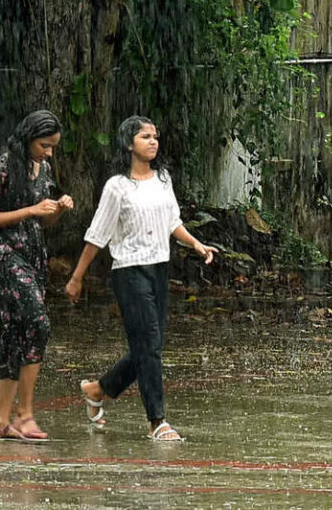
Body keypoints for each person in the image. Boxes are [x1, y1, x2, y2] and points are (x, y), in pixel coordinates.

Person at [64, 115, 217, 441]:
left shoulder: (163, 179)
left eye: (155, 136)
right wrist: (77, 277)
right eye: (145, 136)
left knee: (150, 346)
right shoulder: (117, 186)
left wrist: (195, 243)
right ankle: (157, 421)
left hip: (159, 268)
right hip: (129, 271)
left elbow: (172, 221)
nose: (153, 141)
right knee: (149, 347)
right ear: (129, 143)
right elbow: (97, 235)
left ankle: (98, 389)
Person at [0, 109, 75, 442]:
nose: (49, 153)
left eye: (53, 147)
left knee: (16, 335)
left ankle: (3, 423)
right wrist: (31, 209)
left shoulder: (42, 169)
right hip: (5, 256)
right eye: (45, 145)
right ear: (28, 138)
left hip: (33, 255)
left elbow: (42, 222)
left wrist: (56, 210)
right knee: (38, 324)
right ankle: (25, 414)